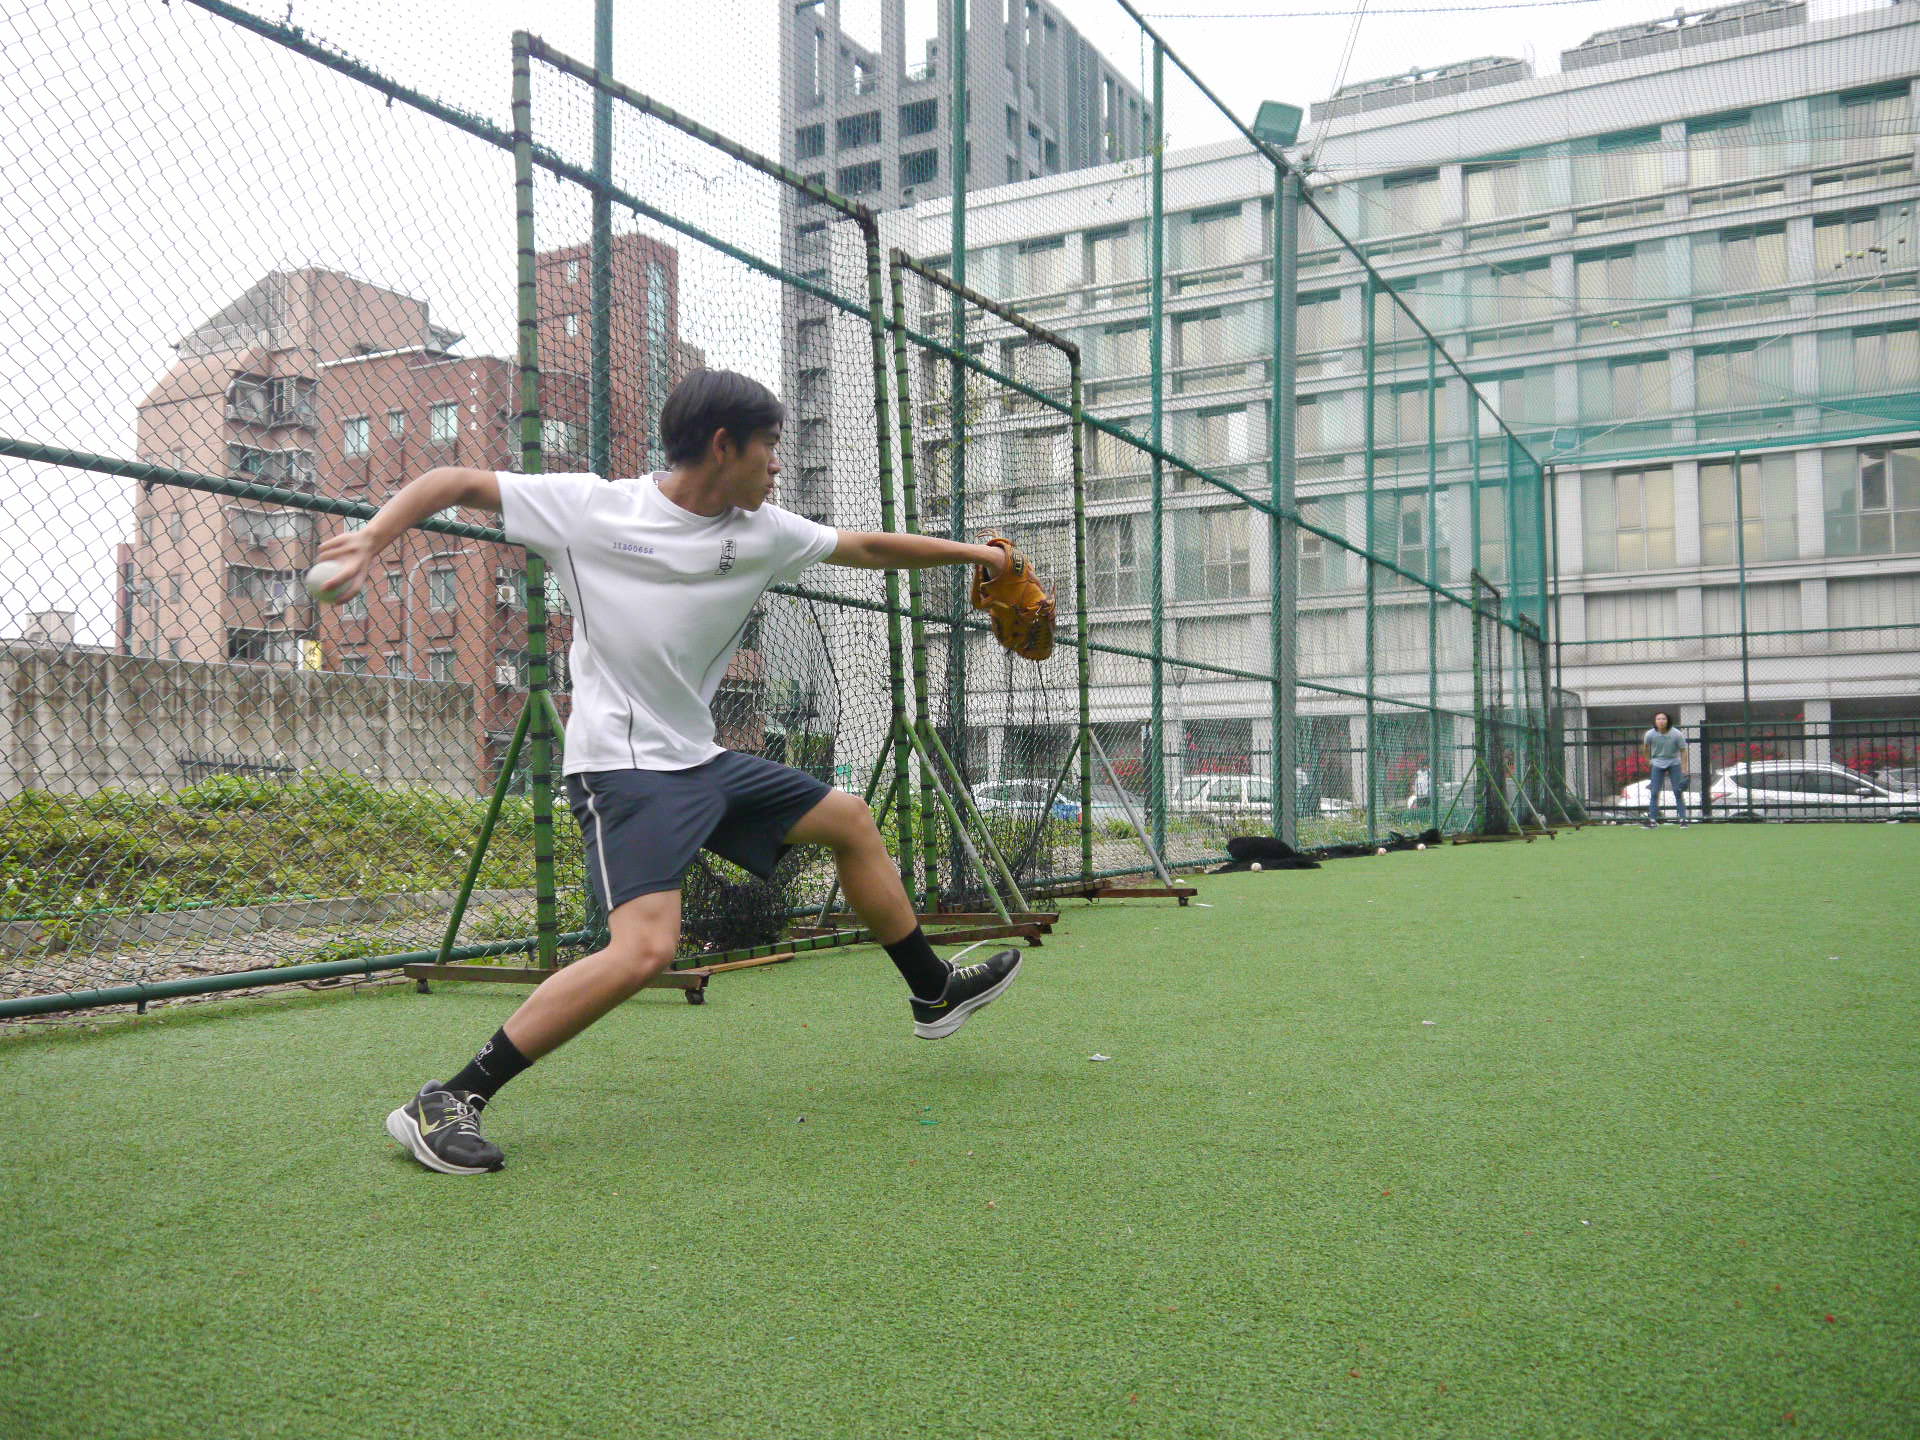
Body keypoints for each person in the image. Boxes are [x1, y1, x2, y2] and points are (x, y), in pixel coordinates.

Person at [314, 369, 1023, 1175]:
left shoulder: (761, 529)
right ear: (725, 446)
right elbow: (453, 480)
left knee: (849, 819)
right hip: (623, 767)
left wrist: (982, 558)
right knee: (645, 950)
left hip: (699, 757)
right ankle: (446, 1100)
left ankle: (932, 991)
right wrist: (372, 538)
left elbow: (863, 547)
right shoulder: (592, 508)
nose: (778, 467)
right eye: (770, 450)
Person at [1642, 710, 1690, 827]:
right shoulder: (1650, 734)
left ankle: (1683, 820)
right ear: (1655, 721)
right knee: (1654, 792)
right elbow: (1646, 748)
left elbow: (1683, 751)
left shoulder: (1676, 734)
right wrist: (1649, 760)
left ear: (1668, 721)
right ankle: (1653, 821)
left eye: (1663, 719)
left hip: (1674, 763)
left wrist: (1684, 768)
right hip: (1657, 763)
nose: (1661, 721)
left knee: (1677, 791)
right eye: (1658, 719)